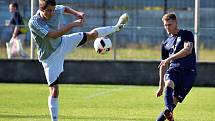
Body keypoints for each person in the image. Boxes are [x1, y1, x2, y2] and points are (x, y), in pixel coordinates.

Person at [28, 0, 128, 121]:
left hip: (63, 43)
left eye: (53, 10)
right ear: (41, 10)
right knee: (54, 91)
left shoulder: (55, 10)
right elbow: (54, 34)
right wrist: (73, 24)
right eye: (49, 10)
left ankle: (117, 27)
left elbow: (63, 8)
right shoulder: (34, 22)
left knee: (91, 35)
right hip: (49, 57)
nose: (52, 13)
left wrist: (76, 13)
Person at [155, 13, 197, 121]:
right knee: (169, 83)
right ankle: (169, 111)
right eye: (165, 25)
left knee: (174, 101)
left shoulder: (186, 34)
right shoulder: (165, 43)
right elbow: (163, 64)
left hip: (189, 73)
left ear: (176, 22)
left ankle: (167, 114)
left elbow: (187, 50)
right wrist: (160, 86)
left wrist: (169, 59)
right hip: (173, 70)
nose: (167, 27)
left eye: (170, 24)